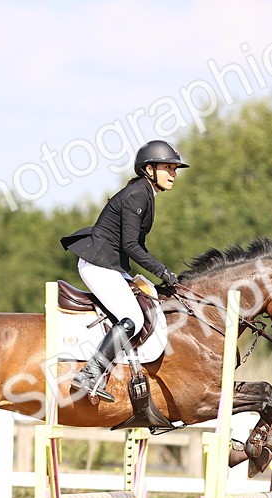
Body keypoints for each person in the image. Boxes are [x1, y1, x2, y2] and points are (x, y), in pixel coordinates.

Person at [59, 139, 189, 401]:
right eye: (168, 167)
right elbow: (131, 245)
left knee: (149, 299)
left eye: (175, 169)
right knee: (134, 318)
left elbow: (135, 244)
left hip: (113, 266)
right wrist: (163, 271)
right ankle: (90, 374)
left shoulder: (145, 194)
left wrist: (154, 278)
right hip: (98, 264)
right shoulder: (137, 195)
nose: (173, 174)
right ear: (149, 169)